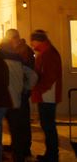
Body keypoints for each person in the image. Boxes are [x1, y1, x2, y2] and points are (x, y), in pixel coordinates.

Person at [0, 29, 38, 162]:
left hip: (6, 98)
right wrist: (25, 89)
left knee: (16, 127)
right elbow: (32, 75)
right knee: (18, 128)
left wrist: (25, 89)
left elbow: (31, 75)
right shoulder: (19, 55)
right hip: (17, 97)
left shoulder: (18, 53)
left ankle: (20, 151)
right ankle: (20, 153)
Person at [30, 30, 62, 162]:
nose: (31, 44)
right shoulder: (46, 52)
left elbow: (50, 77)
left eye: (33, 41)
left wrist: (38, 89)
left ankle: (52, 155)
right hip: (46, 94)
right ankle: (51, 154)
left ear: (39, 41)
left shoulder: (48, 54)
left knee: (48, 126)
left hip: (47, 95)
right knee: (47, 126)